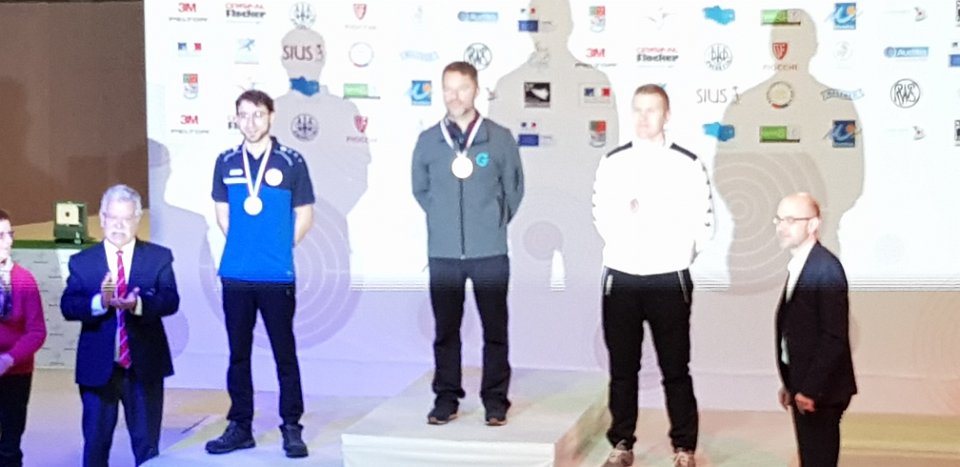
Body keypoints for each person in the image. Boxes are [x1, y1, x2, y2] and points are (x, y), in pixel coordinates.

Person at [593, 84, 714, 467]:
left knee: (675, 369)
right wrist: (627, 244)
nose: (644, 118)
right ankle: (621, 443)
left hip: (668, 279)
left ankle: (684, 447)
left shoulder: (686, 163)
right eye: (638, 110)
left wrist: (677, 254)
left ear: (667, 115)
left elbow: (704, 220)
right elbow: (600, 213)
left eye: (653, 110)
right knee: (622, 370)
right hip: (622, 277)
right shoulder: (613, 162)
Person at [411, 61, 524, 426]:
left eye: (461, 88)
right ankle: (446, 398)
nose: (454, 96)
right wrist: (444, 221)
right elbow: (421, 189)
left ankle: (495, 400)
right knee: (446, 330)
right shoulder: (428, 141)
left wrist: (490, 222)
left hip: (489, 251)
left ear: (476, 90)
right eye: (448, 88)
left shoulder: (499, 138)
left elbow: (514, 189)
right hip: (444, 253)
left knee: (495, 329)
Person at [205, 90, 314, 458]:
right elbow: (223, 214)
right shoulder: (226, 161)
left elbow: (305, 214)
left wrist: (281, 246)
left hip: (277, 275)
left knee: (285, 353)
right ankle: (240, 426)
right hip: (236, 274)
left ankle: (292, 426)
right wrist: (244, 244)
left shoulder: (291, 161)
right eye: (243, 115)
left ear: (271, 116)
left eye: (258, 115)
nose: (250, 122)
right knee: (238, 354)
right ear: (236, 118)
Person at [60, 185, 180, 467]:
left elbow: (170, 300)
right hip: (98, 369)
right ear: (102, 218)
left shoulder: (158, 258)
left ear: (137, 219)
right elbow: (69, 305)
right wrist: (100, 302)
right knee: (95, 444)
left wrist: (138, 304)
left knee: (147, 446)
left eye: (126, 219)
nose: (118, 226)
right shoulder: (83, 262)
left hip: (144, 367)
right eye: (113, 218)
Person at [773, 192, 857, 467]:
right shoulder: (801, 265)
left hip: (822, 391)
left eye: (791, 220)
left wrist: (810, 389)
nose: (782, 227)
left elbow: (833, 336)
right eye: (779, 220)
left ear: (813, 224)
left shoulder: (825, 269)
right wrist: (790, 383)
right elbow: (795, 329)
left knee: (818, 458)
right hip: (804, 385)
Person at [0, 209, 46, 467]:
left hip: (16, 372)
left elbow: (36, 331)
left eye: (10, 234)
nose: (9, 241)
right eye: (1, 236)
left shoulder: (24, 279)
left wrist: (9, 359)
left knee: (10, 444)